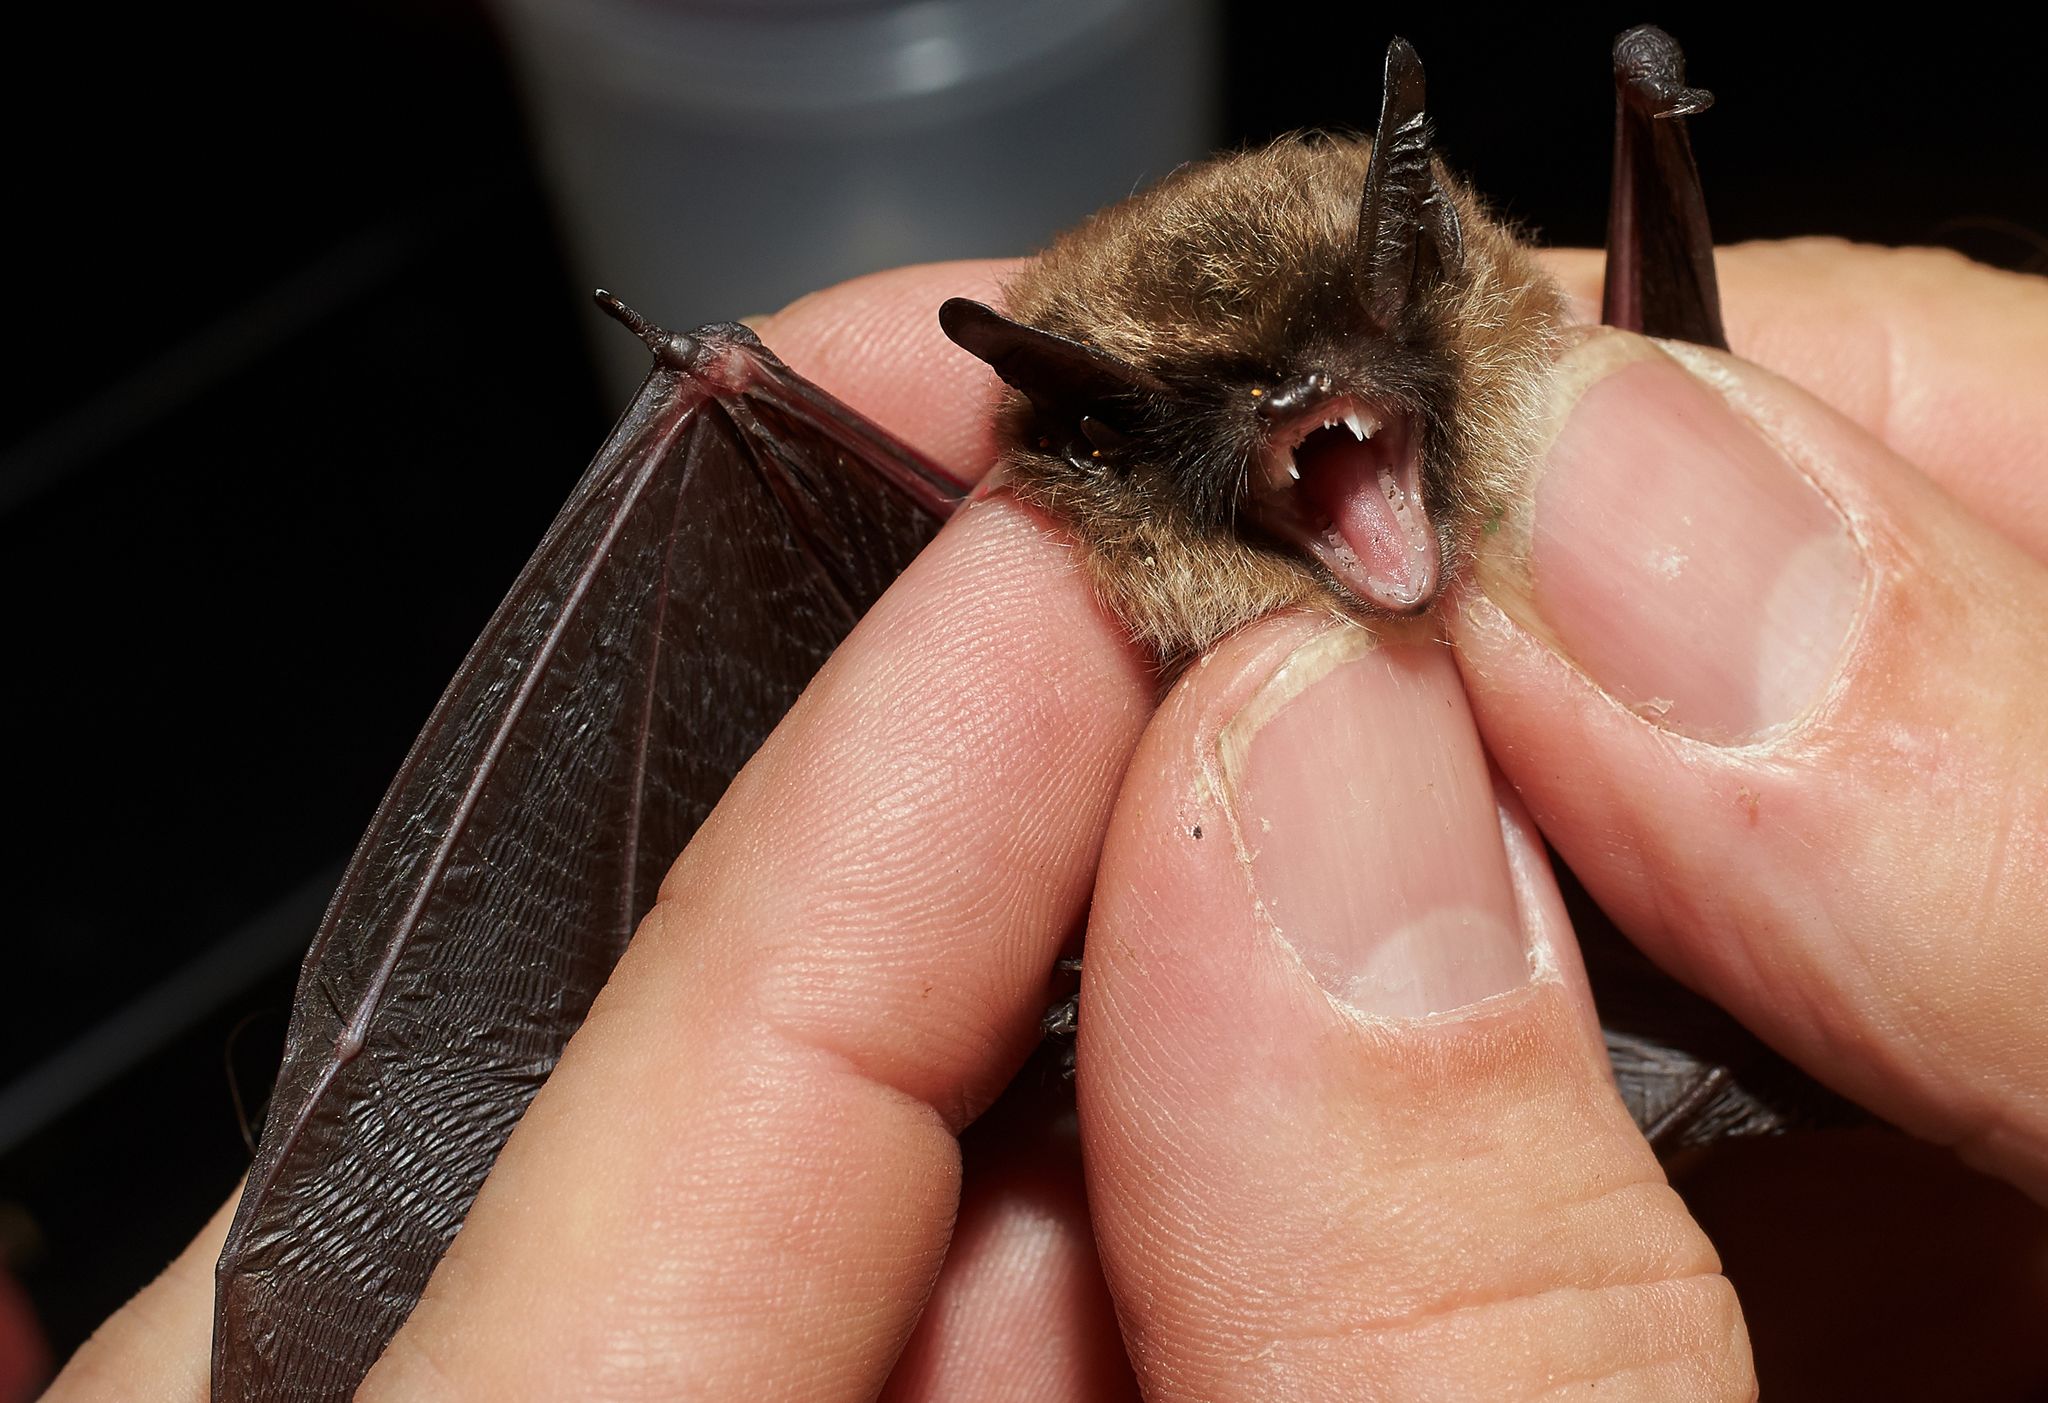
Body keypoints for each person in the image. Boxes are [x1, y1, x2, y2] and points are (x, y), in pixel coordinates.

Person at [46, 241, 2048, 1400]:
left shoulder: (1547, 430)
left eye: (1365, 386)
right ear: (1105, 453)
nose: (1320, 441)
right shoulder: (1062, 626)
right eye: (1238, 432)